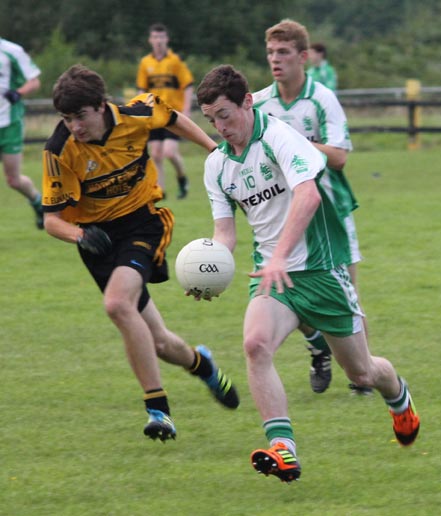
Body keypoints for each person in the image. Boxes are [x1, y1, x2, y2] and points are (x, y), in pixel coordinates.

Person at [196, 64, 420, 483]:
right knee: (255, 345)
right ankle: (283, 449)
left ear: (247, 102)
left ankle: (399, 398)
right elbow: (224, 233)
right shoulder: (217, 165)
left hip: (320, 271)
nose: (219, 127)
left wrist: (282, 255)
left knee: (362, 372)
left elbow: (308, 194)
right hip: (271, 275)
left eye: (224, 115)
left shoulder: (281, 136)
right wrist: (211, 270)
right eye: (211, 120)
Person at [41, 64, 239, 443]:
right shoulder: (59, 149)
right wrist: (80, 235)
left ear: (101, 106)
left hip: (141, 224)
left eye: (80, 116)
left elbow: (176, 118)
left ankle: (158, 410)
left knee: (117, 305)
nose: (74, 126)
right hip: (95, 239)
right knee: (161, 342)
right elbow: (52, 220)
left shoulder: (137, 113)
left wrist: (216, 153)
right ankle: (203, 365)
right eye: (66, 118)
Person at [253, 19, 371, 395]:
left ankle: (362, 377)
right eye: (271, 52)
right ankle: (319, 347)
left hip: (329, 210)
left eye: (284, 53)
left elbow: (338, 157)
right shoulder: (258, 103)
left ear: (303, 57)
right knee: (283, 284)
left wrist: (287, 141)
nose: (276, 60)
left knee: (346, 294)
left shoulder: (321, 98)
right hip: (280, 214)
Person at [136, 23, 194, 200]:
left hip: (171, 114)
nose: (158, 41)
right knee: (156, 154)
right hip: (154, 115)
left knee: (169, 152)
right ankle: (160, 190)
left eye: (161, 37)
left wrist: (186, 110)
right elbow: (141, 89)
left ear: (166, 39)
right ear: (150, 40)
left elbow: (188, 85)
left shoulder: (174, 61)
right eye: (155, 37)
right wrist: (141, 109)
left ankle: (182, 178)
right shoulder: (146, 63)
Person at [0, 37, 43, 228]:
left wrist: (18, 93)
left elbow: (34, 82)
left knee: (13, 180)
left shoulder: (12, 51)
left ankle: (38, 202)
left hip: (9, 124)